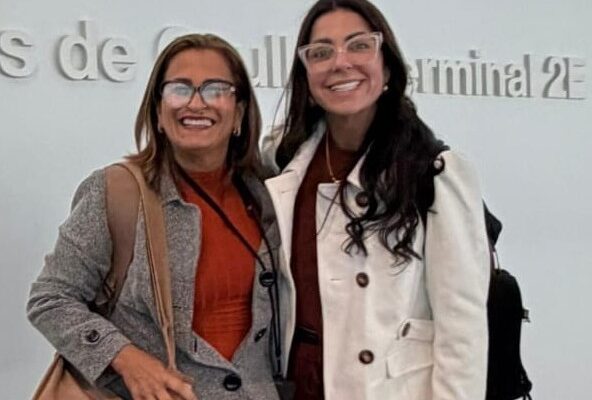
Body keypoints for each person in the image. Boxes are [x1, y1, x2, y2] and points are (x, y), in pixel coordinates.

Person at [27, 33, 284, 400]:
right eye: (180, 89)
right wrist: (125, 357)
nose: (196, 103)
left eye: (215, 89)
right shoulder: (116, 191)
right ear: (159, 112)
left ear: (239, 112)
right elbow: (51, 298)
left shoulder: (269, 195)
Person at [265, 0, 491, 399]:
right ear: (306, 75)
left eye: (359, 45)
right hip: (299, 383)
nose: (340, 62)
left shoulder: (433, 172)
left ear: (387, 68)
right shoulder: (283, 160)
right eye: (321, 52)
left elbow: (462, 332)